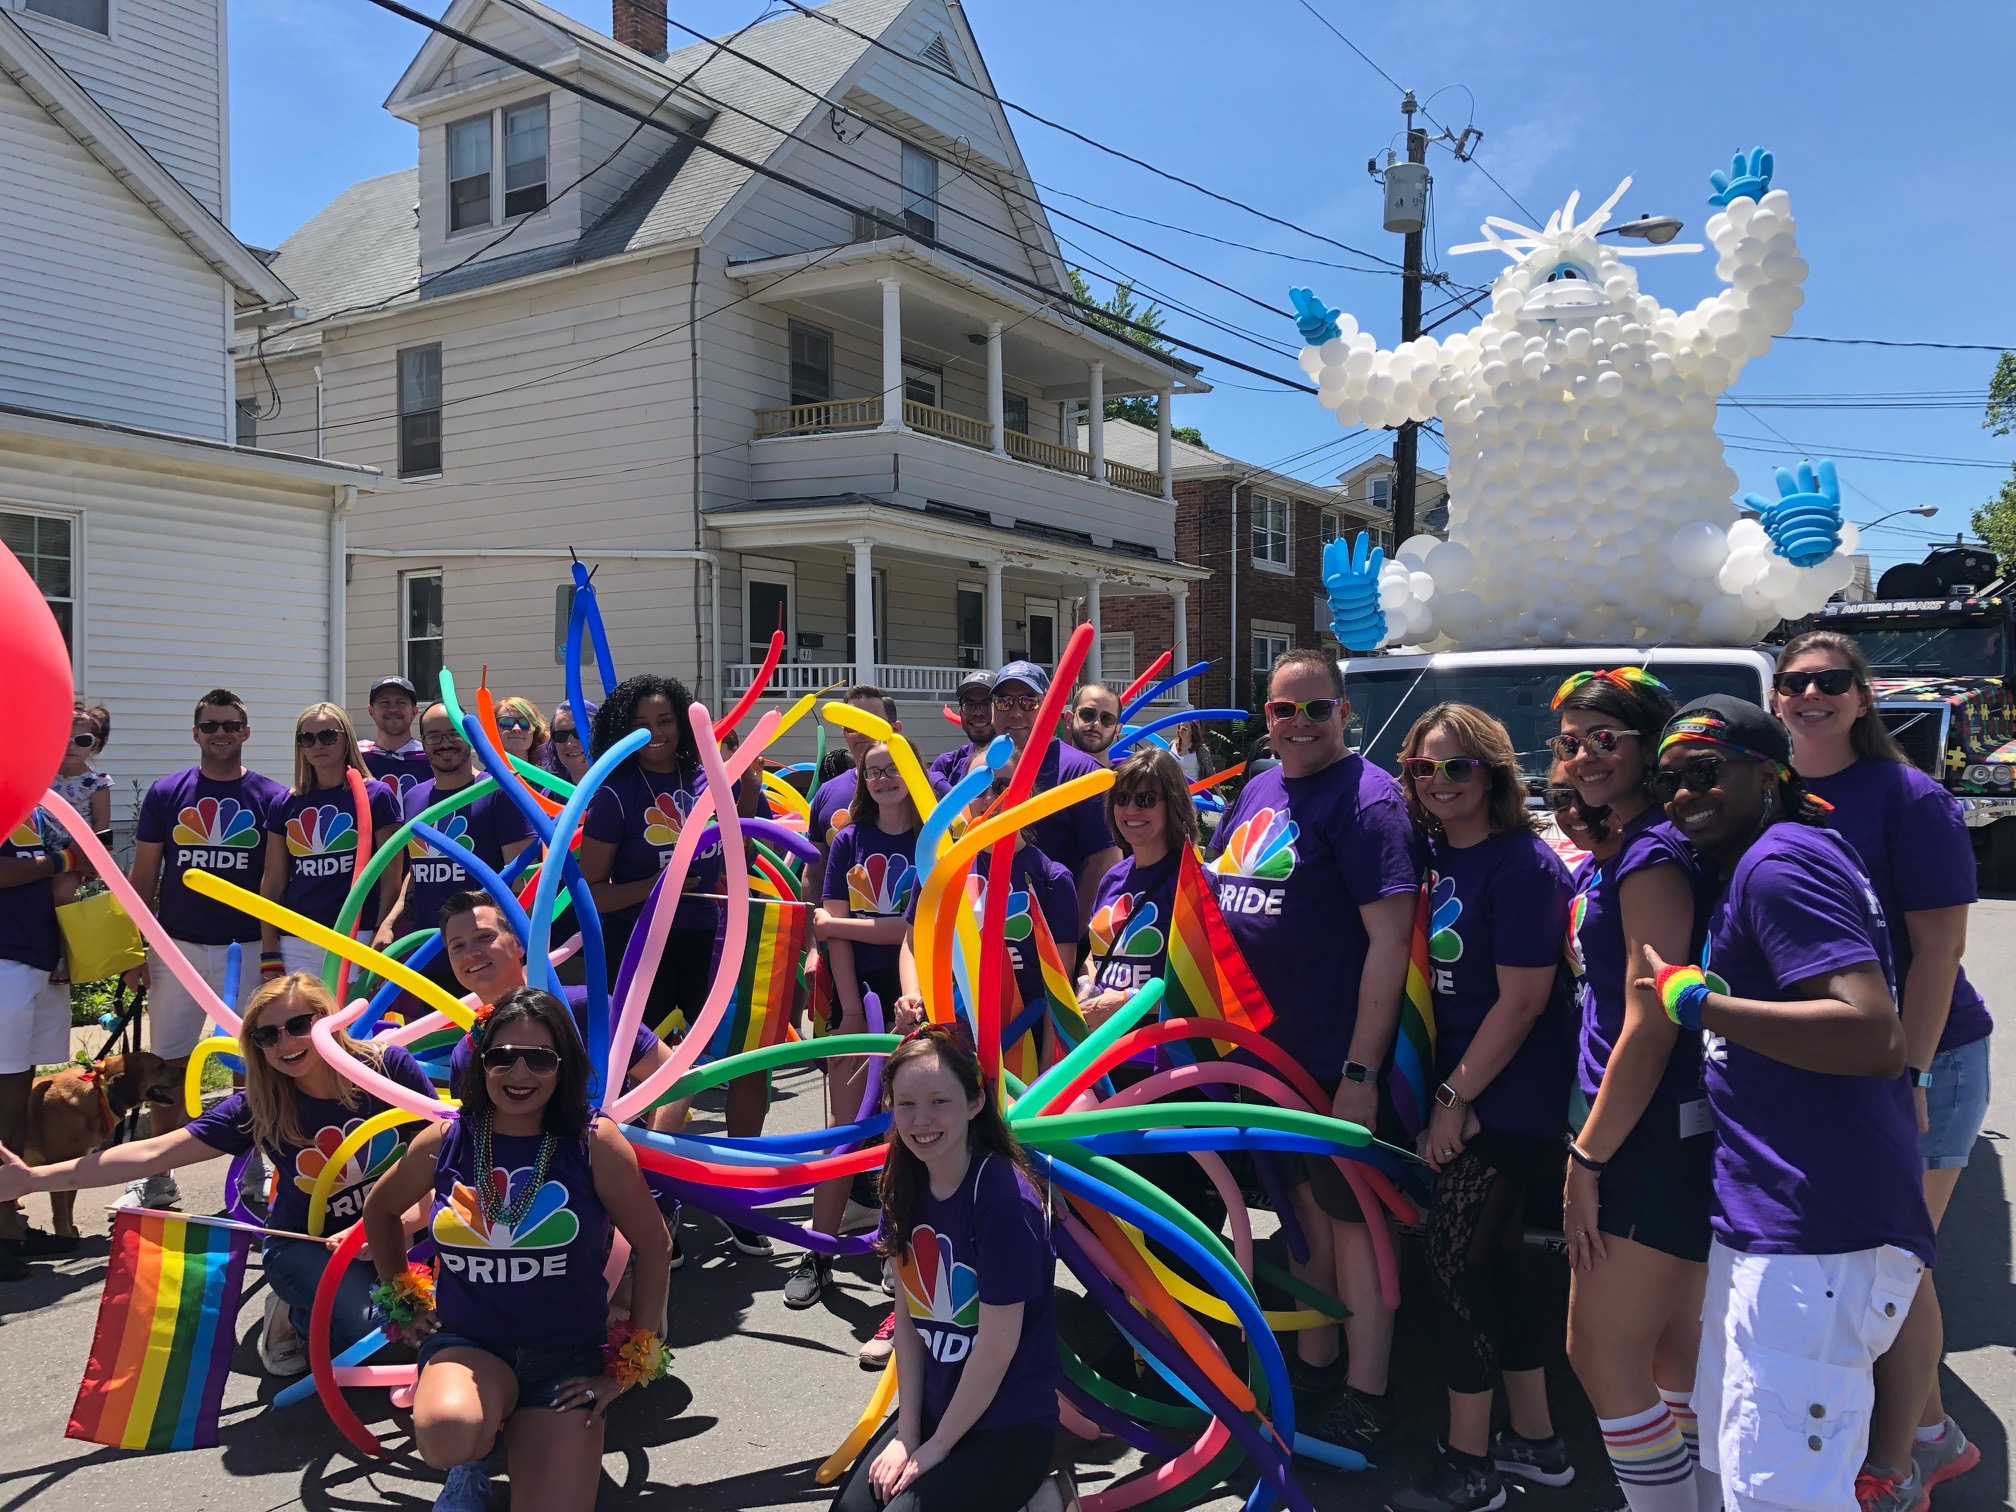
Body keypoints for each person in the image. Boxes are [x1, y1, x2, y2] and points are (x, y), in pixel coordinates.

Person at [1645, 695, 1933, 1512]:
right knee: (1744, 1470)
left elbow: (1873, 1033)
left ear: (1767, 772)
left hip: (1815, 1235)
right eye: (1669, 779)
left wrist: (1698, 1004)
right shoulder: (1789, 851)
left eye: (1704, 771)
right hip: (1781, 1222)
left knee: (1782, 1497)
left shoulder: (1780, 865)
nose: (1683, 794)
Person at [1773, 632, 1990, 1501]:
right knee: (1871, 1262)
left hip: (1925, 1057)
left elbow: (1938, 952)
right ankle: (1932, 1430)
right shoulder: (1775, 793)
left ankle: (1902, 1460)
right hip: (1830, 1057)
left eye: (1831, 681)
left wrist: (1914, 1077)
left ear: (1863, 698)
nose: (1810, 694)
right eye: (1794, 682)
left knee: (1894, 1264)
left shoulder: (1911, 798)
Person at [1205, 648, 1421, 1455]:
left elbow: (1389, 944)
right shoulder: (1261, 787)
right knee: (1301, 1218)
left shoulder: (1368, 804)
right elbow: (1220, 890)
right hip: (1263, 1056)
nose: (1298, 724)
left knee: (1356, 1223)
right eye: (1281, 710)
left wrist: (1362, 1073)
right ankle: (1317, 1362)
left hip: (1333, 1058)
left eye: (1315, 709)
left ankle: (1368, 1394)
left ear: (1345, 713)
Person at [0, 974, 436, 1370]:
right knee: (378, 1337)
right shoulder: (260, 1105)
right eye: (268, 1034)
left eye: (300, 1024)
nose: (285, 1042)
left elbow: (442, 1153)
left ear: (328, 1019)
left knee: (451, 1321)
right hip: (308, 1243)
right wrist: (34, 1179)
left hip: (401, 1227)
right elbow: (154, 1152)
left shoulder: (387, 1068)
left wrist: (394, 1223)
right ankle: (297, 1315)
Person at [362, 987, 671, 1512]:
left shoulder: (594, 1143)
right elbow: (380, 1209)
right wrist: (403, 1301)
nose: (519, 1073)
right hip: (468, 1346)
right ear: (481, 1064)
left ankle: (509, 1440)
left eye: (539, 1059)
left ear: (563, 1067)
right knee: (450, 1434)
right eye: (502, 1057)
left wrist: (624, 1369)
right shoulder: (446, 1139)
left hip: (567, 1361)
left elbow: (655, 1244)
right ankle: (471, 1464)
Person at [1387, 704, 1575, 1512]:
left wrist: (1452, 1101)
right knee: (1491, 1267)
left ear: (1493, 772)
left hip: (1510, 1100)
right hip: (1462, 1089)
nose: (1438, 782)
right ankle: (1536, 1443)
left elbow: (1526, 1001)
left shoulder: (1524, 867)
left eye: (1457, 766)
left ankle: (1470, 1466)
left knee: (1452, 1266)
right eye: (1424, 768)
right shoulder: (1430, 853)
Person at [1550, 669, 1720, 1512]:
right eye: (1571, 741)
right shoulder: (1627, 845)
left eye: (1604, 739)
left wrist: (1587, 1158)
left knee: (1600, 1357)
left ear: (1648, 746)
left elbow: (1651, 1025)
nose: (1583, 756)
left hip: (1643, 1136)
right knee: (1666, 1359)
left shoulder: (1652, 857)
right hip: (1651, 1131)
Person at [827, 1022, 1060, 1512]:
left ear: (976, 1103)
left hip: (1008, 1427)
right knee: (849, 1511)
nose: (921, 1119)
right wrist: (907, 1435)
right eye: (906, 1103)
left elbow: (996, 1349)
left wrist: (937, 1448)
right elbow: (908, 1323)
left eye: (939, 1101)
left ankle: (1043, 1497)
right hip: (936, 1412)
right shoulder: (902, 1182)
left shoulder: (1002, 1199)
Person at [580, 675, 769, 1254]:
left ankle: (737, 1197)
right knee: (646, 1077)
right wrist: (656, 887)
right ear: (620, 729)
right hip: (643, 952)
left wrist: (750, 786)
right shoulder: (614, 794)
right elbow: (592, 890)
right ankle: (652, 1202)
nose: (657, 735)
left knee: (743, 1061)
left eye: (666, 722)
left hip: (714, 941)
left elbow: (746, 848)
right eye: (643, 724)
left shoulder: (708, 774)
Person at [125, 689, 289, 1207]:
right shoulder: (166, 792)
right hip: (177, 947)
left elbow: (274, 881)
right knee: (167, 1065)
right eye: (211, 725)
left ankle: (251, 1174)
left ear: (246, 732)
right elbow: (144, 874)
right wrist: (135, 949)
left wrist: (271, 951)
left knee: (252, 1067)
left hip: (245, 945)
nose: (221, 733)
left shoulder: (271, 796)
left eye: (231, 725)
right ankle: (158, 1175)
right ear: (196, 733)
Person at [789, 741, 923, 1309]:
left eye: (894, 768)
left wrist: (846, 926)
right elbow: (830, 935)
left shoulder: (933, 840)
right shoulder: (847, 839)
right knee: (845, 1131)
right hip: (853, 997)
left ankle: (897, 1249)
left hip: (917, 997)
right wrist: (846, 1008)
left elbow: (911, 933)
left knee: (905, 1133)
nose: (884, 778)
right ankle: (819, 1250)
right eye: (873, 772)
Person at [373, 704, 534, 993]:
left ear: (470, 737)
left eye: (453, 733)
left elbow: (523, 880)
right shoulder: (414, 797)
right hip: (429, 955)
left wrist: (522, 948)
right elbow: (418, 868)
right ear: (422, 742)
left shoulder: (498, 791)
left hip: (485, 958)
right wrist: (389, 923)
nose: (445, 743)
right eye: (434, 736)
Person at [0, 805, 93, 1277]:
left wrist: (67, 945)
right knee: (3, 1100)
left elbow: (82, 865)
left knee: (17, 1101)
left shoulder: (41, 810)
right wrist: (62, 862)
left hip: (41, 961)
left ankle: (9, 1219)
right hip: (4, 964)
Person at [260, 704, 403, 981]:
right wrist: (269, 949)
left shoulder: (377, 795)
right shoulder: (284, 803)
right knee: (301, 1024)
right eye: (307, 738)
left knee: (353, 1024)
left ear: (346, 738)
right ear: (299, 746)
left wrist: (379, 932)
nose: (318, 744)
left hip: (355, 934)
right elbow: (273, 882)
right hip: (296, 938)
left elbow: (391, 877)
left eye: (328, 735)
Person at [988, 661, 1120, 931]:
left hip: (1051, 946)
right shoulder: (979, 767)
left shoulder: (1081, 772)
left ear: (1049, 708)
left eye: (1028, 702)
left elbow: (1105, 859)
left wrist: (1072, 936)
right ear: (992, 710)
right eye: (1004, 702)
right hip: (981, 936)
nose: (1015, 712)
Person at [1079, 746, 1191, 1021]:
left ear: (1173, 805)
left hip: (1157, 1051)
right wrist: (1086, 986)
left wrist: (1125, 1003)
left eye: (1146, 799)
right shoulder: (1113, 877)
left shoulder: (1191, 881)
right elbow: (1096, 956)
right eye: (1122, 797)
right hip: (1103, 1045)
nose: (1131, 809)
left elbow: (1202, 987)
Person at [806, 685, 905, 901]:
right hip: (837, 928)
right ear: (844, 733)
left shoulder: (927, 786)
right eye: (852, 726)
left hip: (913, 929)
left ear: (895, 729)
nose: (860, 733)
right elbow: (814, 873)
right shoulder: (826, 794)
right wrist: (813, 933)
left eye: (870, 723)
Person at [47, 703, 114, 963]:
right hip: (39, 849)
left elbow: (102, 825)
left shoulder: (96, 782)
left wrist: (97, 863)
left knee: (62, 894)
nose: (71, 745)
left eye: (81, 740)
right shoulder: (43, 775)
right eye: (63, 737)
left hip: (77, 854)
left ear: (94, 746)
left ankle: (66, 957)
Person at [360, 675, 431, 799]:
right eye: (385, 702)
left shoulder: (430, 757)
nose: (392, 709)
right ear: (371, 711)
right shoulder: (357, 758)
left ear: (414, 711)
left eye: (401, 702)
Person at [929, 672, 994, 791]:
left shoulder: (1022, 761)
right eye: (969, 705)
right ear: (960, 713)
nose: (978, 712)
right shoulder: (946, 766)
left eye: (986, 704)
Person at [1067, 682, 1122, 766]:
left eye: (1107, 719)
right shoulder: (1047, 774)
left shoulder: (1122, 779)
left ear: (1117, 731)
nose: (1096, 724)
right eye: (1087, 714)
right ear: (1070, 719)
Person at [495, 696, 551, 771]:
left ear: (536, 731)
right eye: (506, 722)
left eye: (525, 722)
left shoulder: (546, 781)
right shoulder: (480, 781)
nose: (516, 728)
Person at [545, 700, 595, 784]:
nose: (570, 744)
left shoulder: (621, 791)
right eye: (561, 735)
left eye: (580, 733)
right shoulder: (549, 794)